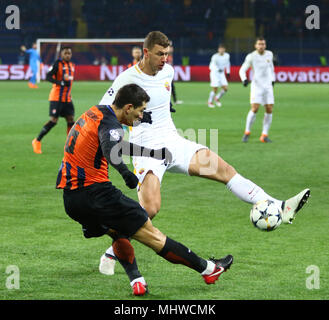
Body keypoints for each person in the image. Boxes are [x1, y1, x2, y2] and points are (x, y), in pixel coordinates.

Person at [98, 31, 310, 277]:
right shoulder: (126, 78)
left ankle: (280, 207)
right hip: (146, 151)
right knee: (150, 209)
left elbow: (160, 102)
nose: (164, 59)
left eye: (167, 54)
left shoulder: (168, 72)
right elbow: (105, 112)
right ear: (146, 53)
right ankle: (112, 252)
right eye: (159, 54)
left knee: (225, 171)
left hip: (174, 143)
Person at [56, 83, 233, 296]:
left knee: (118, 230)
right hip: (97, 194)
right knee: (153, 236)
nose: (140, 117)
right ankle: (209, 270)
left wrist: (153, 153)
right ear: (128, 107)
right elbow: (110, 148)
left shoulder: (95, 112)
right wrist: (126, 174)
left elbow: (116, 144)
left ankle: (137, 281)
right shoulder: (111, 124)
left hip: (72, 200)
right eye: (140, 111)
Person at [32, 46, 75, 154]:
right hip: (56, 98)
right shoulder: (57, 64)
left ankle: (69, 145)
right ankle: (37, 141)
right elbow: (47, 76)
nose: (67, 55)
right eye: (65, 53)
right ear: (61, 54)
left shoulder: (72, 65)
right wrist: (59, 82)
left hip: (67, 98)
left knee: (70, 119)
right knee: (53, 121)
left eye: (69, 53)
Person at [239, 37, 275, 143]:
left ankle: (264, 135)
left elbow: (271, 67)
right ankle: (247, 132)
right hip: (257, 86)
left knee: (269, 109)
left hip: (268, 86)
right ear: (255, 45)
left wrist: (273, 79)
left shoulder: (270, 54)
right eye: (259, 44)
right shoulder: (251, 56)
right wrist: (244, 79)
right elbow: (242, 69)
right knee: (255, 108)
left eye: (263, 44)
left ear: (265, 45)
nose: (261, 46)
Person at [168, 41, 183, 112]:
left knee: (172, 87)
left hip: (169, 74)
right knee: (169, 88)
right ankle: (170, 103)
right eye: (170, 47)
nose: (172, 49)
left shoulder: (170, 56)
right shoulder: (165, 56)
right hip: (165, 75)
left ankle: (174, 101)